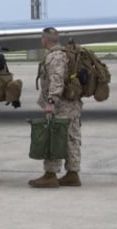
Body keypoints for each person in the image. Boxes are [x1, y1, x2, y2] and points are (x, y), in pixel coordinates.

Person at [30, 26, 83, 188]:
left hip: (61, 105)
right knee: (72, 138)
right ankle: (72, 174)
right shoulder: (65, 54)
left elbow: (57, 80)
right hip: (71, 103)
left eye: (41, 38)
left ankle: (50, 174)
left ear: (45, 39)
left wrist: (51, 102)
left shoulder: (55, 57)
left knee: (53, 138)